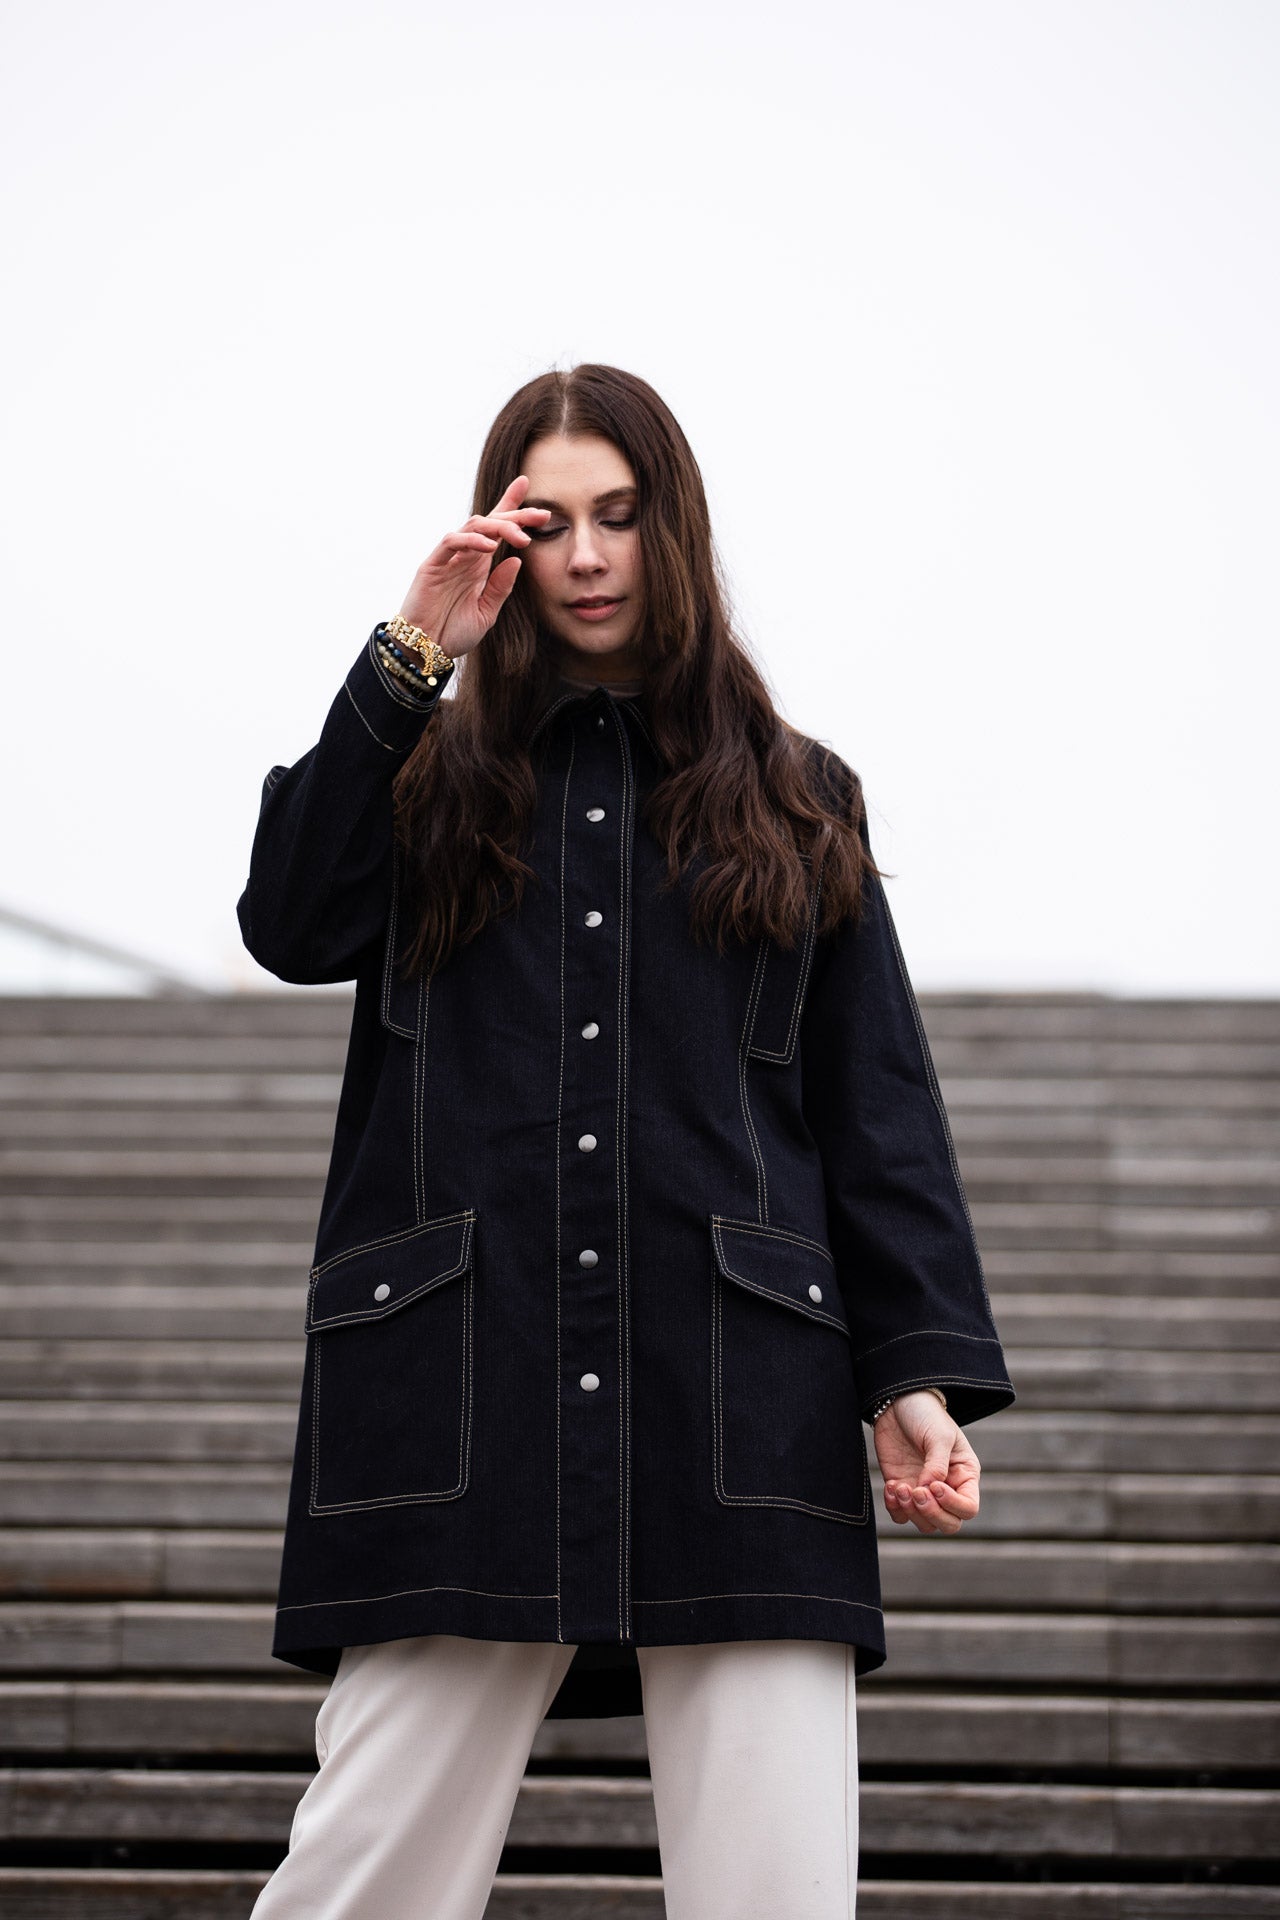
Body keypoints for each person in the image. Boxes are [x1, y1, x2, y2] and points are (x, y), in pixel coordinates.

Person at [236, 363, 1016, 1920]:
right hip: (458, 1391)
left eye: (621, 517)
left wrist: (908, 1376)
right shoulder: (427, 776)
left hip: (744, 1401)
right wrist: (410, 655)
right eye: (549, 521)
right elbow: (289, 918)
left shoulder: (797, 797)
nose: (587, 556)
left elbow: (877, 1110)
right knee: (361, 1882)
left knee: (777, 1893)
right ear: (502, 541)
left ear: (678, 531)